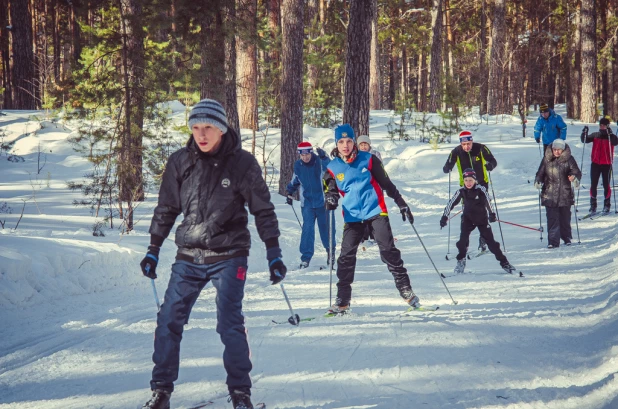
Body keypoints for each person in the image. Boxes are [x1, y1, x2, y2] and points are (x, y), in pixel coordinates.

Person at [139, 99, 287, 409]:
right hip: (188, 255)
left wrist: (273, 252)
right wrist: (153, 249)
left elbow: (263, 210)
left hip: (230, 254)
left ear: (221, 128)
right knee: (168, 319)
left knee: (228, 322)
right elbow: (166, 208)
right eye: (195, 128)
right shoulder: (180, 162)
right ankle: (161, 392)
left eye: (207, 127)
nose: (201, 134)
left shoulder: (243, 164)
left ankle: (240, 394)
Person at [323, 124, 420, 314]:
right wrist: (330, 198)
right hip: (352, 217)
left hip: (376, 212)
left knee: (388, 251)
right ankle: (342, 300)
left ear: (354, 142)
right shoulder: (332, 168)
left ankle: (406, 291)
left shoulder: (369, 160)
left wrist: (401, 202)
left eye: (349, 141)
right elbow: (329, 189)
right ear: (336, 144)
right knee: (345, 258)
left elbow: (386, 183)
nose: (345, 145)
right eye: (341, 142)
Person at [440, 168, 516, 275]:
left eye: (470, 180)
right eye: (466, 180)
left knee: (492, 244)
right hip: (467, 219)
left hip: (481, 220)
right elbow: (450, 203)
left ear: (475, 180)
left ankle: (505, 263)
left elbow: (488, 202)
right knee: (462, 242)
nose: (468, 183)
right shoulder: (461, 191)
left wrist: (492, 214)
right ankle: (461, 261)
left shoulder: (480, 189)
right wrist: (444, 217)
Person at [442, 130, 497, 251]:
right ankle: (464, 243)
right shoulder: (456, 151)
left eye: (468, 144)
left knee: (482, 211)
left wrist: (490, 165)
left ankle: (484, 240)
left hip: (481, 184)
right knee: (466, 213)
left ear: (472, 141)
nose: (466, 147)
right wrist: (447, 168)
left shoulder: (481, 148)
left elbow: (493, 161)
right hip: (465, 187)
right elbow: (448, 164)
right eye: (464, 145)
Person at [286, 141, 335, 268]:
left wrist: (324, 157)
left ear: (311, 152)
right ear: (299, 155)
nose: (305, 157)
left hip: (323, 202)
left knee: (326, 230)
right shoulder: (298, 165)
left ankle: (331, 254)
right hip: (307, 203)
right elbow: (295, 180)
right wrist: (290, 192)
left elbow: (330, 169)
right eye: (302, 155)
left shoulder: (319, 161)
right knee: (307, 230)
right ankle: (305, 258)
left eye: (307, 154)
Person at [534, 138, 582, 249]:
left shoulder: (569, 159)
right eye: (555, 149)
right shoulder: (546, 159)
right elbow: (540, 173)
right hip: (549, 194)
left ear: (563, 149)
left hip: (565, 193)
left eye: (559, 150)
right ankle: (553, 241)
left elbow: (576, 172)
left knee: (565, 217)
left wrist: (574, 178)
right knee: (552, 218)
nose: (557, 152)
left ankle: (566, 238)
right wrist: (538, 181)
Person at [580, 117, 618, 213]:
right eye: (600, 125)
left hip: (607, 164)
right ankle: (593, 205)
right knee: (593, 184)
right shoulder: (596, 135)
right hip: (595, 163)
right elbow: (585, 140)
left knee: (606, 184)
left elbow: (615, 142)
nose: (601, 127)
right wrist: (584, 133)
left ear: (608, 126)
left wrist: (610, 134)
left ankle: (607, 205)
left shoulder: (611, 136)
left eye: (604, 125)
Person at [356, 135, 382, 243]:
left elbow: (380, 170)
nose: (363, 147)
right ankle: (363, 235)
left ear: (369, 145)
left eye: (365, 144)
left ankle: (375, 234)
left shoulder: (375, 154)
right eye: (361, 145)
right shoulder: (356, 156)